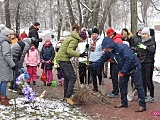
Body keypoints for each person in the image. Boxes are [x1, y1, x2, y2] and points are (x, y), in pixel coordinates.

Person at [89, 37, 146, 112]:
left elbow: (129, 60)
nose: (107, 50)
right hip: (123, 69)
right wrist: (91, 66)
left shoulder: (122, 48)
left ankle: (142, 105)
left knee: (138, 86)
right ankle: (124, 102)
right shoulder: (108, 52)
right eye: (105, 48)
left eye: (108, 48)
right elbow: (101, 60)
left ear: (111, 46)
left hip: (134, 67)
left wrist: (122, 72)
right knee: (122, 85)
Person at [56, 23, 87, 105]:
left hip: (61, 58)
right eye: (84, 39)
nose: (83, 41)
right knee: (72, 78)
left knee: (67, 78)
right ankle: (69, 97)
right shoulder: (74, 40)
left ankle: (65, 97)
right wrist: (80, 54)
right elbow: (69, 51)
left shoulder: (72, 37)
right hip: (64, 59)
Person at [137, 27, 156, 102]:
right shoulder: (141, 42)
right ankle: (144, 95)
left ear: (148, 35)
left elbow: (152, 51)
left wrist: (145, 47)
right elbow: (140, 51)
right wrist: (136, 52)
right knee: (143, 80)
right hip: (142, 62)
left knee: (148, 80)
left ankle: (151, 96)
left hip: (149, 63)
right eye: (142, 34)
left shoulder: (152, 42)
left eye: (145, 34)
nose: (144, 35)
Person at [0, 24, 15, 106]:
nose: (11, 35)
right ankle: (3, 98)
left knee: (2, 80)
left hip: (1, 63)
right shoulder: (5, 43)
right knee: (4, 81)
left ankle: (2, 96)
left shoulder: (2, 41)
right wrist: (12, 64)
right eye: (9, 34)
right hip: (4, 64)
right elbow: (6, 55)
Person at [105, 27, 123, 98]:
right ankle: (115, 89)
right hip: (112, 60)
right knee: (113, 76)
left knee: (114, 76)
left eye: (109, 35)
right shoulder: (112, 40)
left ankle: (116, 91)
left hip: (117, 60)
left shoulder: (118, 40)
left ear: (112, 34)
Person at [89, 27, 104, 92]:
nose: (94, 35)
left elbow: (104, 48)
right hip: (91, 59)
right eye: (93, 34)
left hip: (98, 59)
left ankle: (100, 83)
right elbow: (87, 49)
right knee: (93, 74)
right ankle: (95, 87)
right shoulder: (89, 40)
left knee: (99, 73)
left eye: (95, 34)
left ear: (98, 34)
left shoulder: (101, 40)